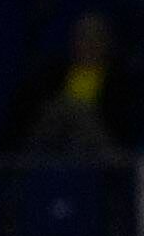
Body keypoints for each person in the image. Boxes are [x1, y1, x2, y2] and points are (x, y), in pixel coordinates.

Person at [10, 10, 136, 156]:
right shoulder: (51, 74)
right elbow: (28, 115)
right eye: (83, 37)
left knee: (78, 113)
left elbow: (123, 127)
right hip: (52, 146)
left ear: (107, 42)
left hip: (99, 154)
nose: (89, 44)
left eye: (95, 37)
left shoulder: (121, 81)